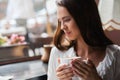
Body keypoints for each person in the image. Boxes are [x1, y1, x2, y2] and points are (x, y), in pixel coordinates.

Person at [47, 0, 120, 80]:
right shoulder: (57, 54)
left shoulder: (115, 54)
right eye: (60, 21)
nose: (62, 27)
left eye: (67, 20)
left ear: (84, 17)